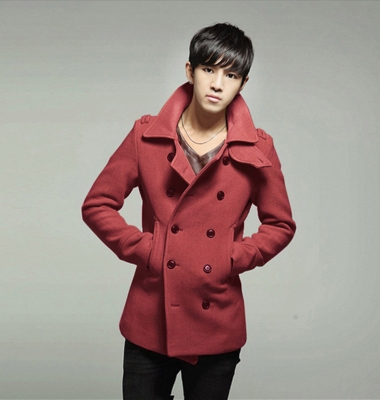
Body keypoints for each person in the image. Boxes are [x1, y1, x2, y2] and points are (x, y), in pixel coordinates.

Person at [82, 22, 296, 400]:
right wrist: (150, 250)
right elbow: (97, 204)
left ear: (243, 83)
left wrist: (231, 257)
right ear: (190, 71)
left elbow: (280, 224)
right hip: (151, 318)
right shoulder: (146, 136)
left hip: (217, 318)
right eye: (208, 69)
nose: (217, 84)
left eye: (231, 75)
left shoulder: (259, 147)